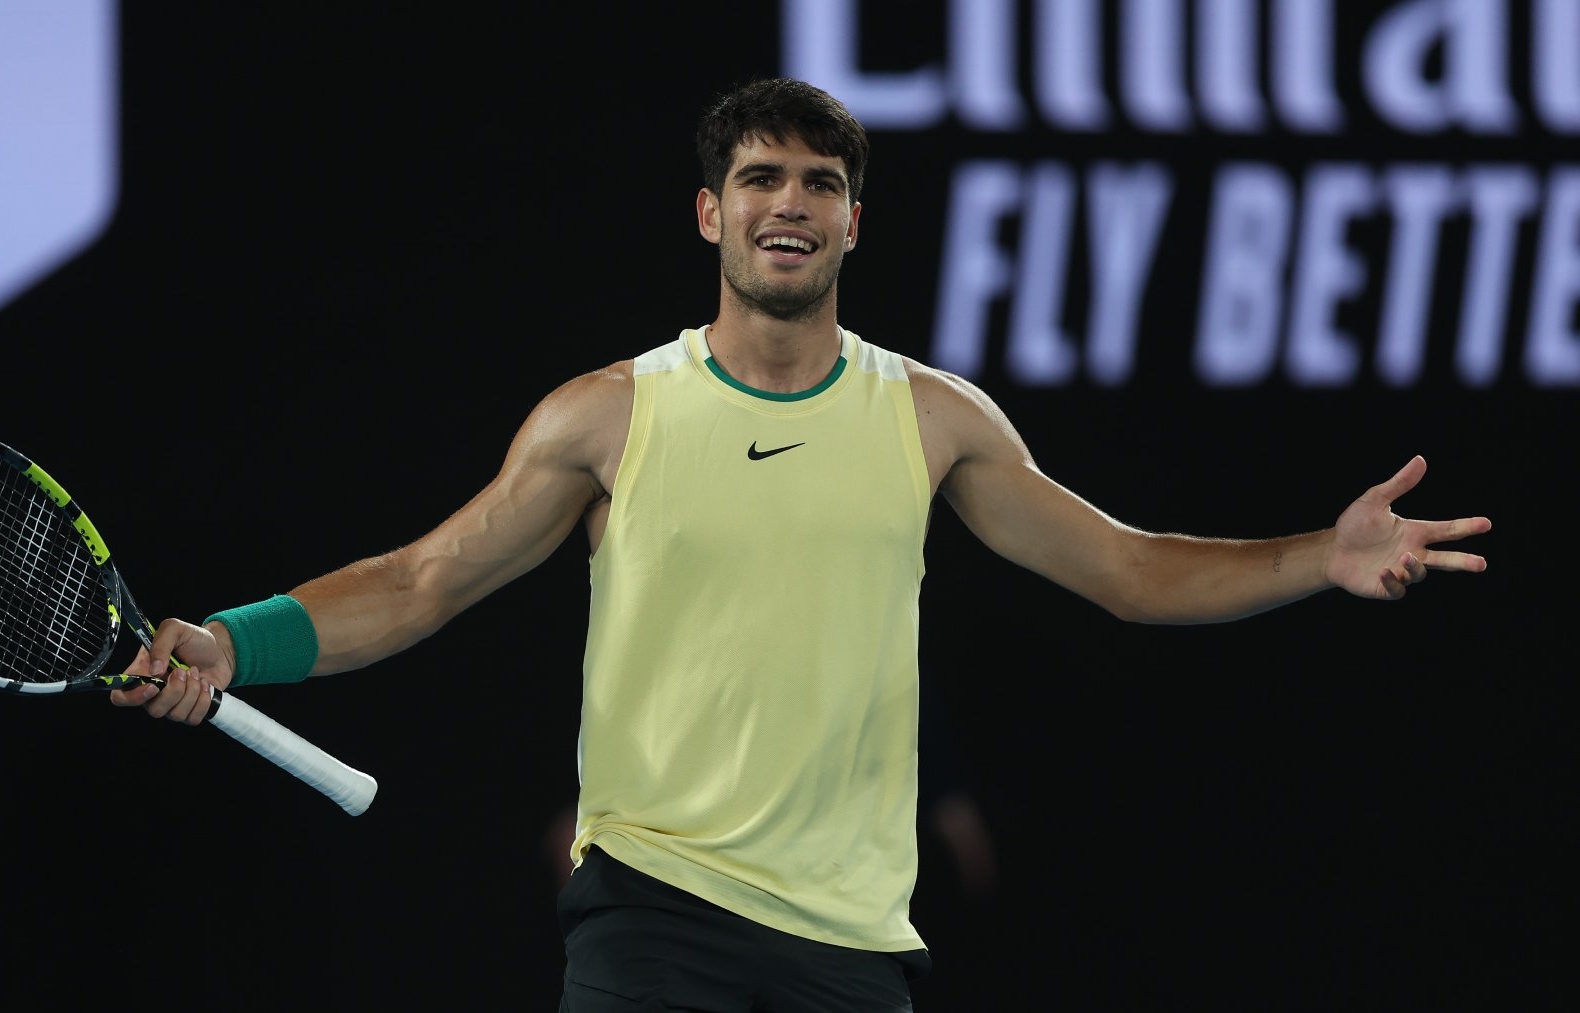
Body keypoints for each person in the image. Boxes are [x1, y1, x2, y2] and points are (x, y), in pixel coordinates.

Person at [110, 77, 1491, 1011]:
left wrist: (1320, 551)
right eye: (759, 178)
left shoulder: (935, 418)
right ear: (711, 212)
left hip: (852, 941)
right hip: (651, 910)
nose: (789, 202)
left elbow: (1128, 569)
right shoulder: (610, 414)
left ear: (850, 221)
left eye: (818, 183)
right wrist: (233, 641)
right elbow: (421, 579)